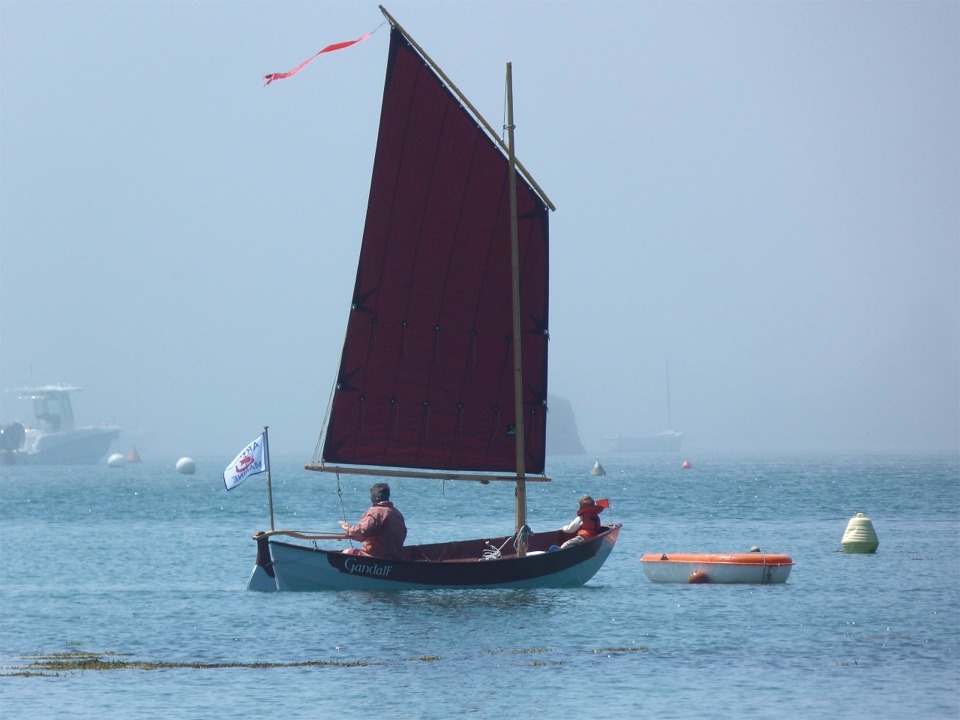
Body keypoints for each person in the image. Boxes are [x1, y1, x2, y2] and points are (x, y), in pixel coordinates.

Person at [338, 482, 407, 560]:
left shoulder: (375, 512)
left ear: (375, 497)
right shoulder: (398, 514)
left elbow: (362, 532)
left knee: (345, 552)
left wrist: (348, 529)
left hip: (375, 558)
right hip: (394, 558)